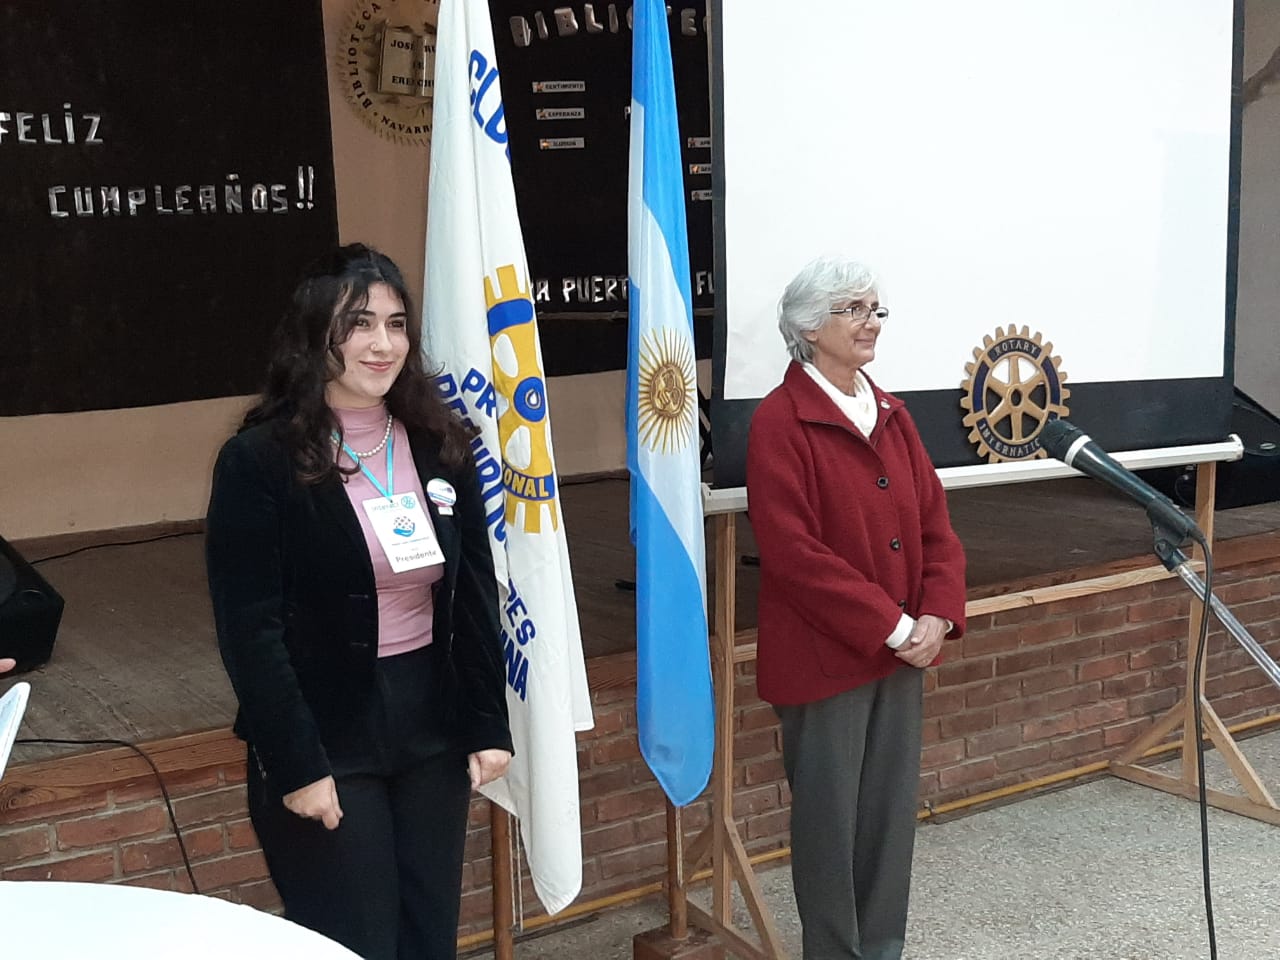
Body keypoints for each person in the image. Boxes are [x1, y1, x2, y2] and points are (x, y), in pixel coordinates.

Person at [205, 243, 512, 960]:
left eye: (396, 324)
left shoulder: (440, 442)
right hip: (325, 730)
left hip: (430, 725)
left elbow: (472, 596)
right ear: (316, 334)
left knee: (429, 937)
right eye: (359, 324)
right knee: (356, 942)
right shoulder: (260, 460)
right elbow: (250, 629)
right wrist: (298, 764)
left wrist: (487, 722)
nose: (383, 344)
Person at [745, 255, 967, 960]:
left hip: (901, 657)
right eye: (855, 310)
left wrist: (937, 615)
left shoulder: (892, 413)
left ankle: (882, 950)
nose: (872, 323)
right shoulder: (780, 421)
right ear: (810, 328)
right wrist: (895, 626)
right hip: (826, 664)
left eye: (876, 310)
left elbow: (935, 526)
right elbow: (794, 554)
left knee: (888, 823)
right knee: (829, 829)